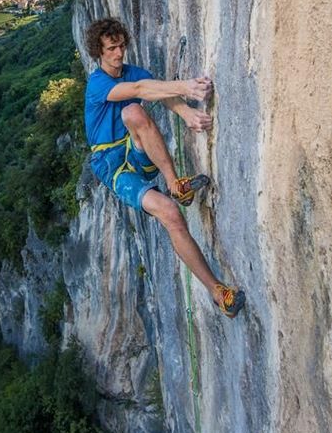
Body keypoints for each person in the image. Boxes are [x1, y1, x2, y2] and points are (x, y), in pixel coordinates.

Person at [84, 17, 245, 318]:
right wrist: (187, 86)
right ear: (99, 52)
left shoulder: (131, 72)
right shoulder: (98, 84)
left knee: (134, 112)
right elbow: (142, 89)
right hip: (113, 168)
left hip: (136, 150)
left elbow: (158, 91)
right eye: (110, 49)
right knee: (170, 214)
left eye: (121, 46)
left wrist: (185, 113)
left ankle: (175, 184)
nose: (118, 54)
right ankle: (218, 291)